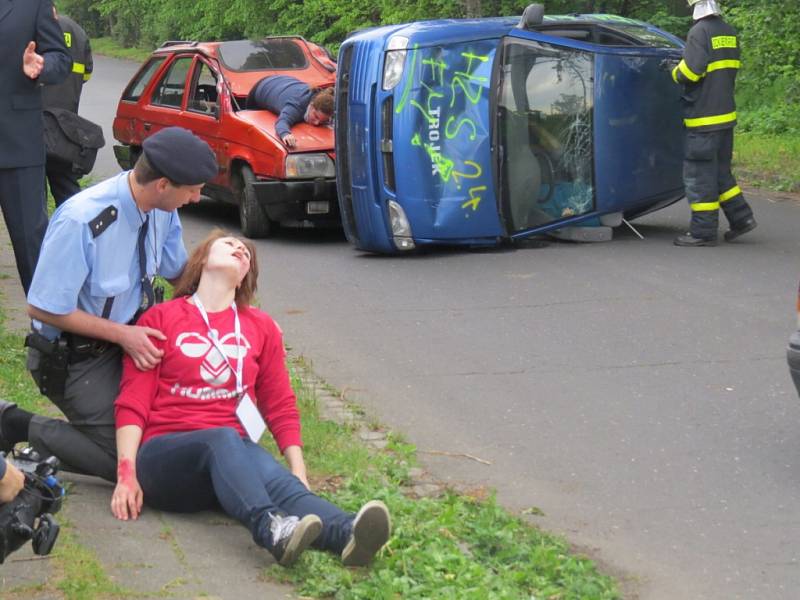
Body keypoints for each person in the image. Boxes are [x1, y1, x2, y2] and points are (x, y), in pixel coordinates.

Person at [110, 230, 391, 567]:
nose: (239, 248)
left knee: (281, 483)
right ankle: (270, 527)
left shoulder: (261, 327)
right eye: (229, 244)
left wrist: (297, 470)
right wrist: (126, 473)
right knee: (223, 438)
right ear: (201, 260)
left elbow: (279, 403)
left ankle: (347, 534)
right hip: (165, 457)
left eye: (246, 253)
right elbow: (133, 402)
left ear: (246, 277)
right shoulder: (161, 318)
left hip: (231, 457)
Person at [0, 127, 218, 483]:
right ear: (163, 184)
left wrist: (232, 315)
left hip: (127, 346)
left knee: (170, 433)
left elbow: (179, 275)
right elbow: (42, 307)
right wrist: (124, 335)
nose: (196, 198)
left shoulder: (162, 209)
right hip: (73, 360)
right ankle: (15, 424)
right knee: (131, 460)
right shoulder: (82, 219)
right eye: (193, 190)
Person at [671, 0, 757, 247]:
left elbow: (691, 72)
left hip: (703, 118)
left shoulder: (699, 31)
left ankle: (703, 232)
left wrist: (674, 71)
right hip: (725, 116)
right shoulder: (728, 31)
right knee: (720, 173)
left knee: (699, 176)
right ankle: (742, 219)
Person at [0, 0, 71, 294]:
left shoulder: (33, 4)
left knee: (32, 244)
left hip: (17, 143)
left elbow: (60, 57)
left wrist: (42, 65)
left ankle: (48, 328)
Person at [43, 5, 94, 206]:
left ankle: (43, 236)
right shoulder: (76, 30)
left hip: (34, 122)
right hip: (65, 127)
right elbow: (87, 74)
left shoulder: (34, 29)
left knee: (33, 195)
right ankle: (75, 233)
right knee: (67, 190)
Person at [248, 75, 334, 148]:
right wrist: (286, 134)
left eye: (322, 121)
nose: (316, 123)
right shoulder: (296, 106)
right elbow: (282, 122)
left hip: (284, 81)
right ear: (311, 105)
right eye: (316, 116)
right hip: (261, 88)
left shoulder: (325, 96)